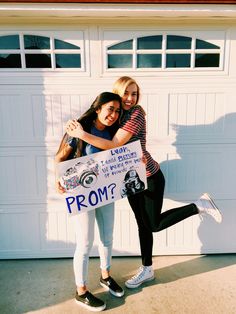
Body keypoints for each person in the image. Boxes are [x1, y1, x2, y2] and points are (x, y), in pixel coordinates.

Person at [65, 76, 223, 290]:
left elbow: (113, 144)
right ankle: (147, 269)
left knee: (153, 224)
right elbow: (98, 132)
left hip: (148, 176)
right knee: (142, 225)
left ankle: (198, 206)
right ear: (117, 95)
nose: (130, 98)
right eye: (126, 94)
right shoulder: (115, 115)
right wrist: (75, 129)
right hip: (130, 179)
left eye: (134, 93)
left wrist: (81, 133)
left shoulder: (136, 114)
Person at [55, 92, 124, 312]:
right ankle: (81, 291)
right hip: (80, 193)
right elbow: (59, 158)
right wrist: (57, 178)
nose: (113, 115)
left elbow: (120, 153)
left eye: (117, 111)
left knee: (107, 236)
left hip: (106, 191)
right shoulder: (77, 130)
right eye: (109, 109)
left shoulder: (114, 133)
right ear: (98, 108)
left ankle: (106, 276)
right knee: (84, 243)